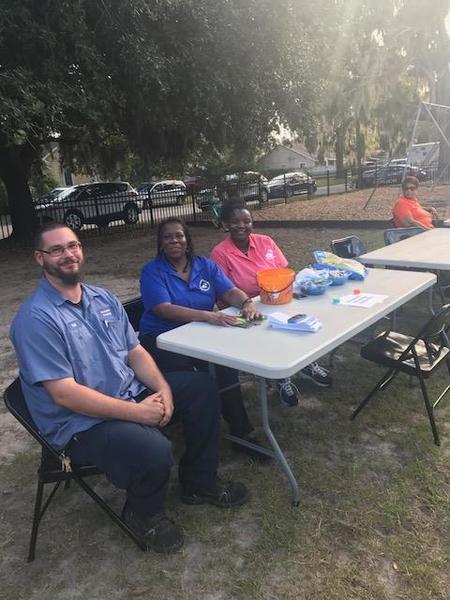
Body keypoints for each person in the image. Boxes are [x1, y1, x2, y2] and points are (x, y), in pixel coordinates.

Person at [10, 223, 249, 555]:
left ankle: (199, 482)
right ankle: (143, 512)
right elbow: (64, 394)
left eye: (73, 245)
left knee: (201, 388)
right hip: (81, 423)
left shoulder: (102, 298)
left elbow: (135, 352)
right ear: (40, 258)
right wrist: (138, 412)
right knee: (154, 448)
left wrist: (162, 388)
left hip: (128, 393)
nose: (69, 254)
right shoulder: (36, 319)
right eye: (57, 249)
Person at [139, 217, 266, 461]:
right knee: (199, 377)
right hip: (160, 340)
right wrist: (207, 316)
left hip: (200, 335)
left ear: (187, 239)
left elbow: (229, 291)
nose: (174, 240)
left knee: (226, 367)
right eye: (168, 237)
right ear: (161, 242)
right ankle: (199, 428)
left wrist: (246, 303)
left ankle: (242, 434)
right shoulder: (153, 271)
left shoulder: (204, 265)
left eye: (179, 235)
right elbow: (162, 309)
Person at [210, 200, 333, 407]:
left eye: (247, 221)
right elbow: (225, 292)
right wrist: (249, 304)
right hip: (245, 311)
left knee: (300, 323)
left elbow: (284, 271)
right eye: (235, 222)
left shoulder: (265, 241)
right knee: (272, 331)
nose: (242, 226)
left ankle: (305, 364)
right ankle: (280, 377)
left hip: (277, 301)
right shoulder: (220, 254)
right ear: (226, 225)